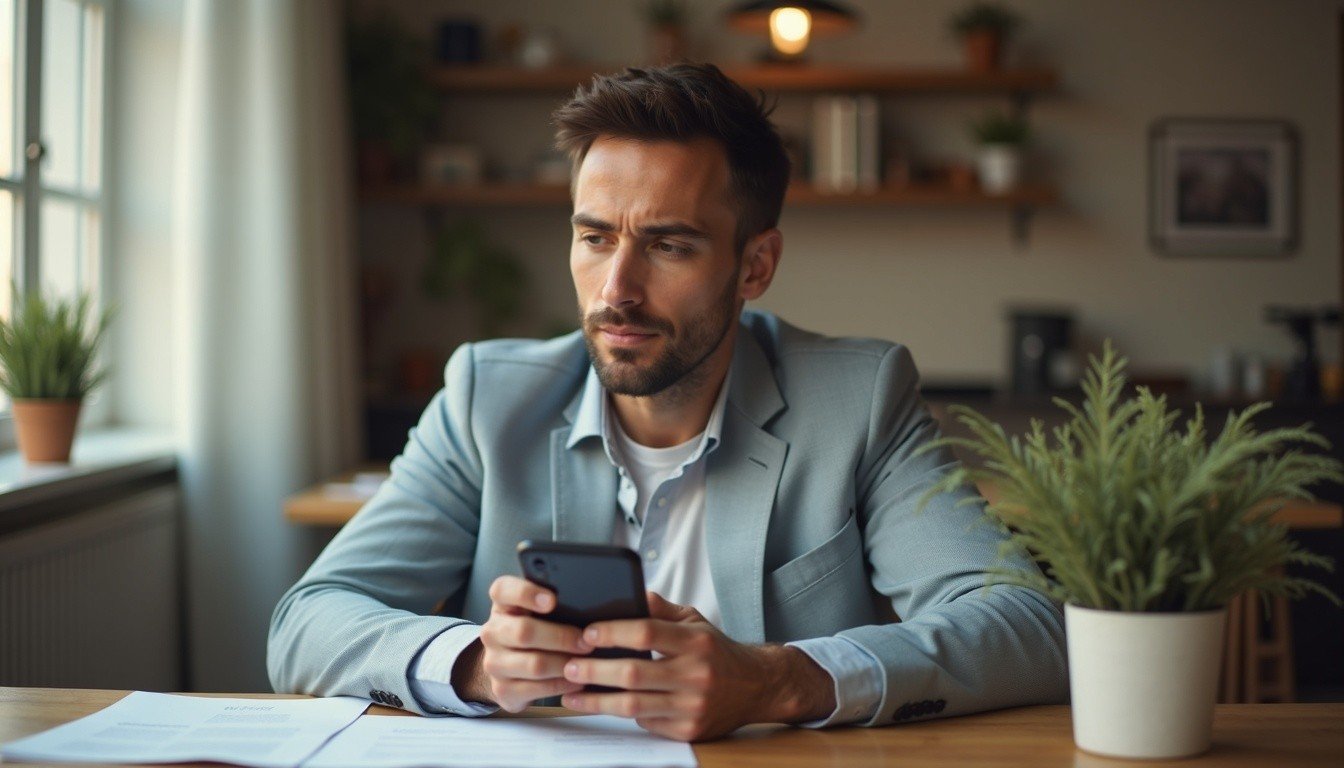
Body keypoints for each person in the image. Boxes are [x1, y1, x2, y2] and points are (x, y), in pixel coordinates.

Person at [268, 62, 1068, 742]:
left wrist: (780, 682)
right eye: (596, 237)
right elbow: (309, 620)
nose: (617, 290)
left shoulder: (858, 399)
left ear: (755, 267)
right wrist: (474, 662)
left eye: (668, 245)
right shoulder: (488, 397)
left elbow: (1027, 627)